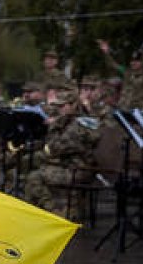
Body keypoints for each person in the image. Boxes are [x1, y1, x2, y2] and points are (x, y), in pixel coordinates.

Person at [22, 90, 99, 219]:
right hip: (65, 165)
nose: (59, 110)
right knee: (30, 167)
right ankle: (37, 213)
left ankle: (54, 212)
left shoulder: (78, 125)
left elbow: (56, 148)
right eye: (58, 106)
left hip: (77, 169)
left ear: (73, 105)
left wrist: (54, 125)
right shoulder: (68, 120)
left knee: (34, 177)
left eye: (62, 106)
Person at [99, 39, 143, 110]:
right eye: (132, 61)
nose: (133, 63)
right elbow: (112, 65)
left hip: (138, 109)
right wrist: (106, 52)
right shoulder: (127, 72)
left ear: (141, 62)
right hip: (124, 107)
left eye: (137, 61)